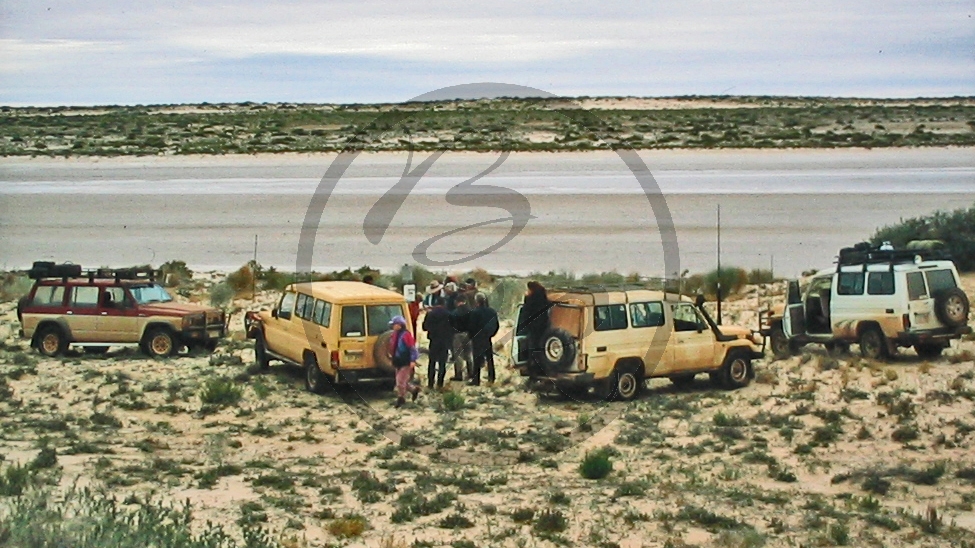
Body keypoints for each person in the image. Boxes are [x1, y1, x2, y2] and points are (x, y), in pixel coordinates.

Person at [467, 292, 499, 386]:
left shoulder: (474, 312)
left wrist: (471, 336)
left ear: (477, 301)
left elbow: (471, 326)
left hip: (477, 338)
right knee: (489, 358)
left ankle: (476, 380)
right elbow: (496, 325)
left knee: (477, 359)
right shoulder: (492, 311)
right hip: (487, 337)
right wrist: (491, 334)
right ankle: (491, 377)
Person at [387, 315, 420, 408]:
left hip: (406, 361)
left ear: (400, 325)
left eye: (394, 324)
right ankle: (414, 390)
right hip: (398, 361)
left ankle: (401, 398)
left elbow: (412, 348)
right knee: (402, 381)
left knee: (399, 382)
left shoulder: (406, 335)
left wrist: (413, 360)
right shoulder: (394, 335)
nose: (393, 326)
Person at [422, 295, 452, 389]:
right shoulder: (449, 314)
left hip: (434, 340)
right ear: (444, 304)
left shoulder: (430, 314)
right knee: (442, 363)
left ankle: (430, 383)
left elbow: (424, 327)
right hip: (445, 340)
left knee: (432, 362)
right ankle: (440, 383)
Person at [519, 281, 552, 361]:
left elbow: (527, 310)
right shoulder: (543, 298)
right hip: (544, 325)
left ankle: (533, 365)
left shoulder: (531, 299)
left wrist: (526, 298)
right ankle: (540, 365)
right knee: (541, 346)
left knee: (533, 346)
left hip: (533, 326)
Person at [449, 293, 473, 381]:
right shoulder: (470, 311)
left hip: (457, 335)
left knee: (458, 355)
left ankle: (459, 375)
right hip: (468, 334)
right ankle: (471, 373)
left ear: (457, 302)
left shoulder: (454, 312)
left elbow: (450, 324)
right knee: (468, 354)